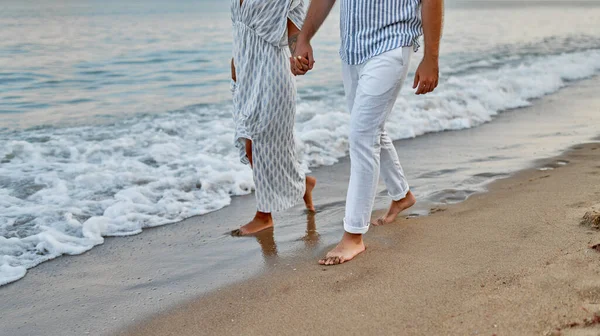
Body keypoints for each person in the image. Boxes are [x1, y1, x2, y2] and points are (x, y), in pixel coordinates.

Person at [291, 0, 443, 265]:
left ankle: (353, 235)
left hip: (391, 44)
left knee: (362, 137)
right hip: (353, 50)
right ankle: (402, 195)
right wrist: (303, 38)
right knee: (371, 130)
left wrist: (431, 58)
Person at [230, 0, 317, 236]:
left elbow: (293, 27)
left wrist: (298, 54)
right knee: (250, 143)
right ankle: (303, 184)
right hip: (246, 72)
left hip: (271, 73)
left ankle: (264, 215)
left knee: (257, 145)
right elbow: (240, 27)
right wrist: (234, 59)